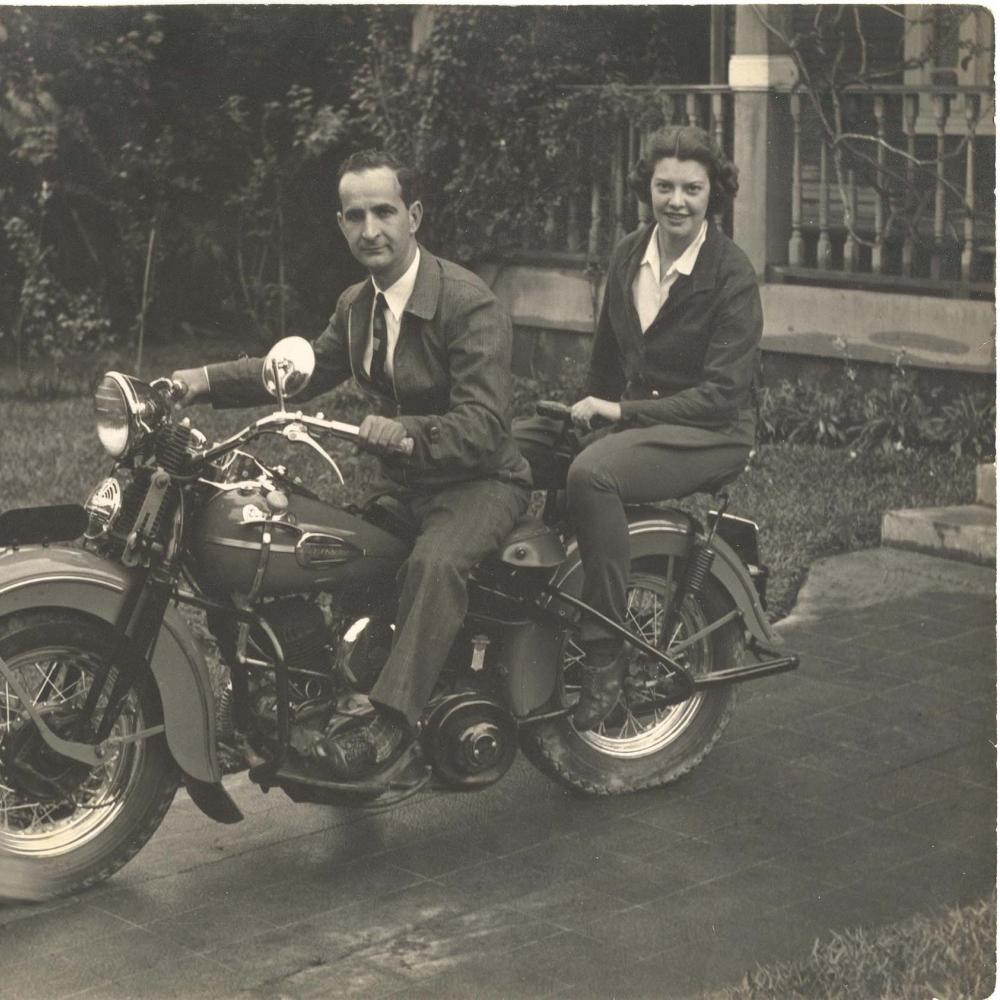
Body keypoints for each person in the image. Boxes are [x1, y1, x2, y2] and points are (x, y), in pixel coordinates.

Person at [172, 149, 531, 778]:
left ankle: (393, 725)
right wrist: (199, 381)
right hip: (403, 485)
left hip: (479, 482)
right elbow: (298, 372)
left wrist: (409, 432)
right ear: (341, 225)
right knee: (311, 548)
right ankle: (301, 698)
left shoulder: (468, 303)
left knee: (434, 564)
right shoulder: (356, 306)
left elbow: (485, 424)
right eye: (356, 215)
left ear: (414, 215)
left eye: (385, 212)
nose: (371, 230)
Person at [566, 124, 762, 731]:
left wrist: (620, 415)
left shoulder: (731, 273)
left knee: (594, 475)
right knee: (520, 445)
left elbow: (722, 395)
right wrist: (582, 410)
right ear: (646, 188)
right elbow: (604, 359)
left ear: (714, 195)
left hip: (713, 432)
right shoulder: (630, 253)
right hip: (642, 422)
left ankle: (605, 652)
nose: (676, 200)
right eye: (664, 186)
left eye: (692, 188)